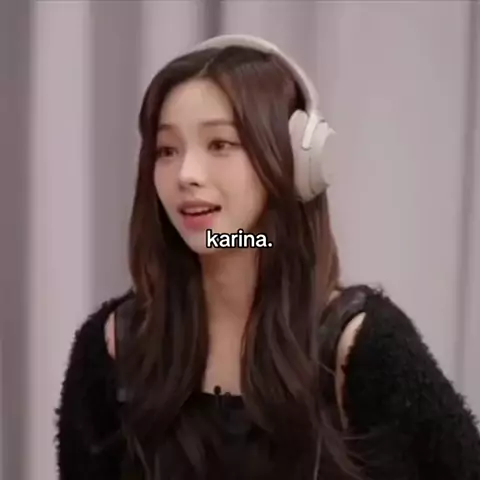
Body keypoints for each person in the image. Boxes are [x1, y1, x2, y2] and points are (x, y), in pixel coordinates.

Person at [55, 35, 480, 480]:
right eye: (167, 150)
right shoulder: (112, 346)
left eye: (220, 144)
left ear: (297, 163)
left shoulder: (362, 347)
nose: (186, 175)